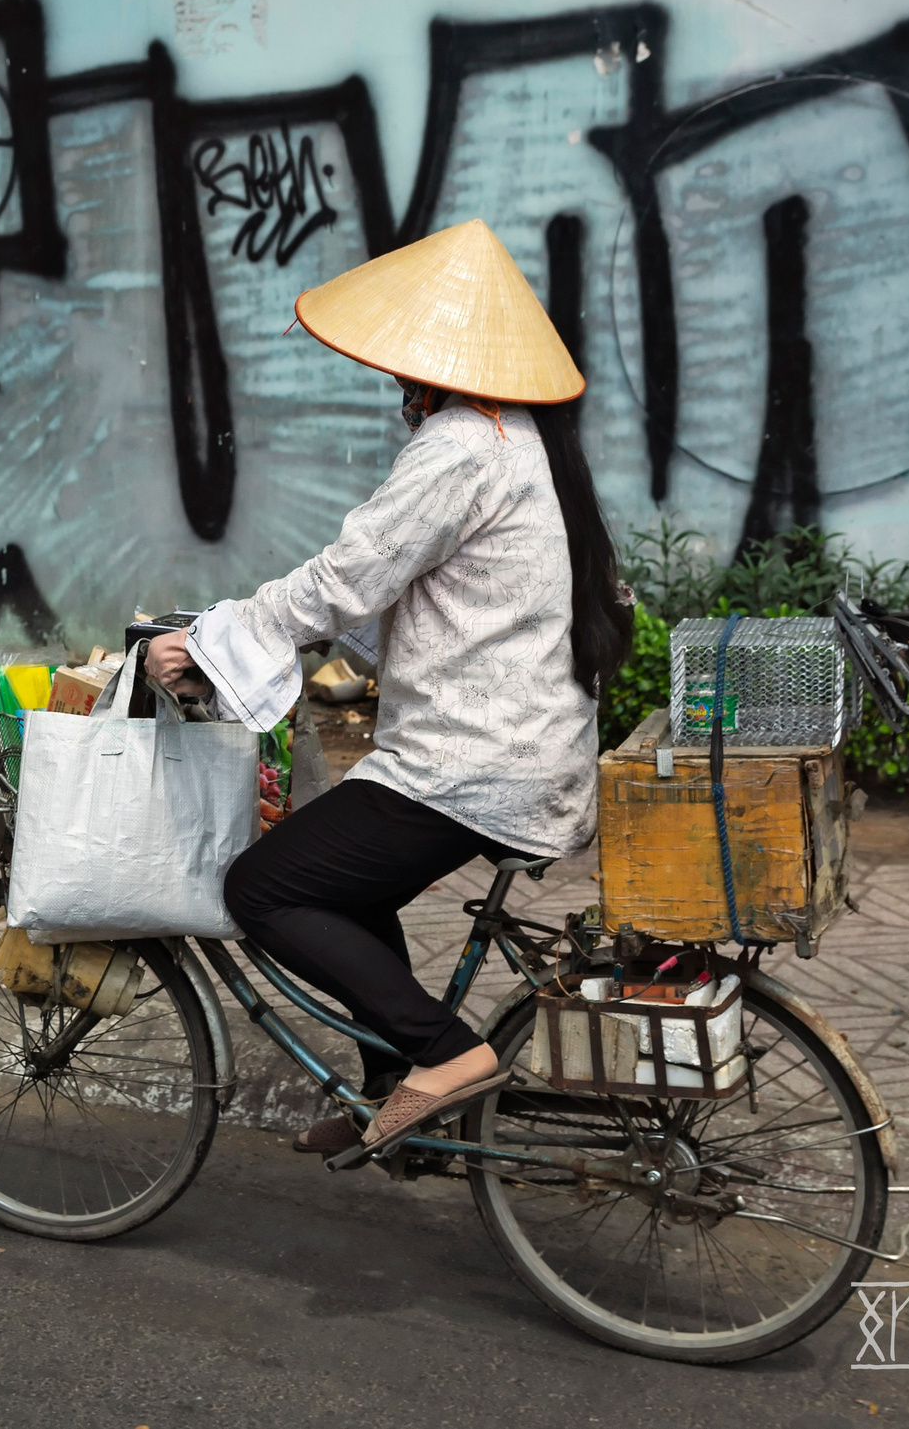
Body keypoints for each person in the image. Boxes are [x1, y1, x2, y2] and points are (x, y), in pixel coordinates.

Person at [147, 219, 633, 1155]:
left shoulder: (466, 443)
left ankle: (445, 1053)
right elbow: (406, 592)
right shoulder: (526, 440)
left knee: (265, 888)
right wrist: (269, 641)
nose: (397, 387)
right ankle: (392, 1106)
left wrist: (217, 640)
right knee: (349, 883)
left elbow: (348, 579)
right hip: (522, 751)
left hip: (478, 765)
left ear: (434, 362)